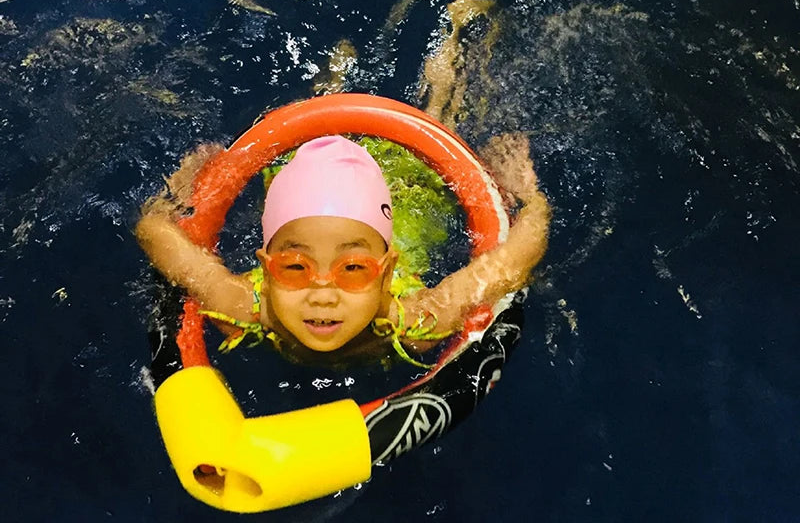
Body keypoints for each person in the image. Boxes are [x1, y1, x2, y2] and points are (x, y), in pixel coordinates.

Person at [135, 127, 550, 367]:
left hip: (406, 207)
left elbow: (513, 263)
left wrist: (530, 198)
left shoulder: (415, 324)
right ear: (266, 267)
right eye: (294, 267)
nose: (322, 294)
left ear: (387, 272)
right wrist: (187, 189)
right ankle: (328, 93)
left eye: (353, 269)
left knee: (437, 121)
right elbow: (154, 232)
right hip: (335, 208)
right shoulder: (241, 307)